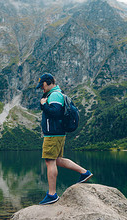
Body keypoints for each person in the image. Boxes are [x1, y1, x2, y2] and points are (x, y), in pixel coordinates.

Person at [36, 73, 93, 205]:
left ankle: (52, 194)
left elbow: (55, 112)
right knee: (58, 160)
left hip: (53, 134)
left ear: (48, 82)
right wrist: (44, 104)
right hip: (58, 133)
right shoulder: (55, 94)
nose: (41, 88)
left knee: (50, 162)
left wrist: (44, 105)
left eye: (42, 85)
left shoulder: (55, 94)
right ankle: (84, 173)